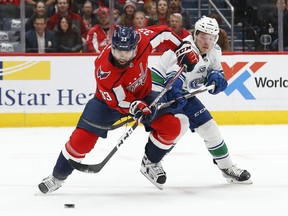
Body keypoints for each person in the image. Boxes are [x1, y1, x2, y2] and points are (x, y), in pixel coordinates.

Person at [37, 25, 199, 194]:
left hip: (143, 94)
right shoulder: (104, 70)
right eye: (118, 51)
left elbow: (164, 33)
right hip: (106, 104)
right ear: (112, 46)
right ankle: (57, 177)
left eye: (127, 52)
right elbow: (117, 101)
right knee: (81, 141)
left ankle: (150, 163)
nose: (122, 56)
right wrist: (134, 106)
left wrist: (182, 48)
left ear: (135, 46)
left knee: (171, 127)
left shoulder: (142, 40)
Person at [150, 16, 252, 186]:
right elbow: (172, 78)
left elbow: (216, 70)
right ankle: (151, 162)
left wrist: (216, 78)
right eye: (203, 36)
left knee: (210, 128)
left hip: (183, 92)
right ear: (195, 34)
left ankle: (227, 168)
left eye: (211, 38)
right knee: (178, 126)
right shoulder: (185, 49)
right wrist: (175, 93)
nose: (207, 41)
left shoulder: (214, 51)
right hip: (161, 90)